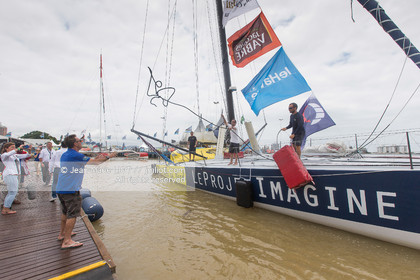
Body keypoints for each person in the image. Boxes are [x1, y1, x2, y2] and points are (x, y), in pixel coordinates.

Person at [56, 134, 116, 249]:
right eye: (79, 140)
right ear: (75, 143)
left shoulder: (66, 154)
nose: (81, 141)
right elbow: (96, 163)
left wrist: (99, 157)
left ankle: (62, 234)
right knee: (72, 215)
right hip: (70, 189)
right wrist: (109, 157)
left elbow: (91, 160)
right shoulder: (75, 155)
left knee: (65, 212)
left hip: (61, 187)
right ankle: (67, 241)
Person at [1, 142, 31, 214]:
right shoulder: (4, 155)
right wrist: (18, 148)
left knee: (12, 192)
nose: (13, 149)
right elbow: (8, 154)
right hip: (10, 174)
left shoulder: (14, 156)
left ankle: (6, 207)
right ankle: (6, 208)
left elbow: (26, 155)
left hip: (13, 174)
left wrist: (29, 150)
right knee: (12, 192)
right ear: (6, 148)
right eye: (12, 147)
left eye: (14, 147)